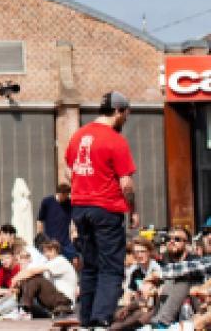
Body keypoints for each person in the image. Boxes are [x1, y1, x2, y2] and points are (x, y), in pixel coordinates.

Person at [66, 90, 139, 329]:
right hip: (106, 207)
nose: (125, 119)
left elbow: (69, 170)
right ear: (118, 111)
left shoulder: (78, 136)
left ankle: (86, 318)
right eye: (125, 115)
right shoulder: (115, 140)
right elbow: (126, 183)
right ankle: (101, 319)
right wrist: (133, 209)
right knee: (111, 266)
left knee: (90, 265)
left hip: (80, 207)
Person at [10, 240, 76, 317]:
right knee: (29, 279)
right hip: (56, 298)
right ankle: (22, 308)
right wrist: (18, 283)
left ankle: (24, 308)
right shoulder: (49, 263)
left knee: (36, 278)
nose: (46, 254)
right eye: (44, 252)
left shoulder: (60, 261)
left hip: (65, 301)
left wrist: (15, 279)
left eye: (48, 251)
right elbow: (30, 273)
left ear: (55, 250)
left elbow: (33, 271)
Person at [36, 183, 76, 260]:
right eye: (64, 195)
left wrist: (74, 234)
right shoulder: (47, 202)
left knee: (73, 260)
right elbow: (40, 220)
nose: (65, 197)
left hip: (66, 242)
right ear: (58, 193)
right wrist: (39, 237)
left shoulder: (70, 204)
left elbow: (73, 221)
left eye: (67, 195)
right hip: (50, 241)